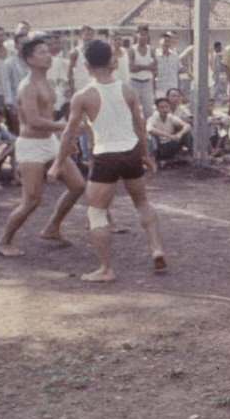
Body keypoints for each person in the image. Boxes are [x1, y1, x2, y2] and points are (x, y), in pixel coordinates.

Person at [50, 39, 165, 282]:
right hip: (131, 151)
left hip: (106, 156)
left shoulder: (83, 95)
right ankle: (156, 248)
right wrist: (145, 155)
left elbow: (69, 132)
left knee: (96, 212)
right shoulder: (128, 90)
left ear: (86, 65)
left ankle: (105, 269)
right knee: (142, 202)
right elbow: (140, 126)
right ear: (111, 61)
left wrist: (57, 163)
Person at [0, 37, 86, 257]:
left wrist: (66, 140)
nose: (48, 55)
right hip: (30, 146)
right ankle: (3, 241)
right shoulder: (27, 86)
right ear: (29, 59)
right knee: (32, 200)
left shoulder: (47, 82)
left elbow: (48, 117)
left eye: (47, 51)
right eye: (42, 52)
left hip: (50, 142)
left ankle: (52, 228)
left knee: (78, 185)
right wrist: (67, 127)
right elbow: (34, 121)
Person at [147, 96, 193, 164]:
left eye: (166, 107)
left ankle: (189, 155)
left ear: (169, 107)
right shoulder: (153, 118)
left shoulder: (171, 117)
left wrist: (180, 134)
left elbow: (187, 126)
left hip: (170, 144)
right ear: (157, 109)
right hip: (160, 147)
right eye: (162, 107)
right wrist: (169, 136)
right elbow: (149, 129)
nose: (164, 109)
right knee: (151, 137)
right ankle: (154, 160)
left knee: (187, 133)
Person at [127, 25, 158, 118]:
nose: (143, 37)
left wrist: (139, 67)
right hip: (134, 83)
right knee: (133, 110)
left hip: (147, 83)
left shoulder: (151, 50)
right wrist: (147, 67)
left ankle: (148, 127)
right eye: (141, 34)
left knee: (149, 111)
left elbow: (155, 68)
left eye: (145, 34)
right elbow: (132, 68)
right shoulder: (132, 50)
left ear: (148, 36)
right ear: (136, 35)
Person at [155, 32, 182, 96]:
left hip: (173, 88)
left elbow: (178, 72)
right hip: (160, 89)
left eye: (168, 42)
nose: (166, 44)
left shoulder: (175, 56)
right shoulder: (155, 56)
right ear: (160, 42)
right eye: (165, 41)